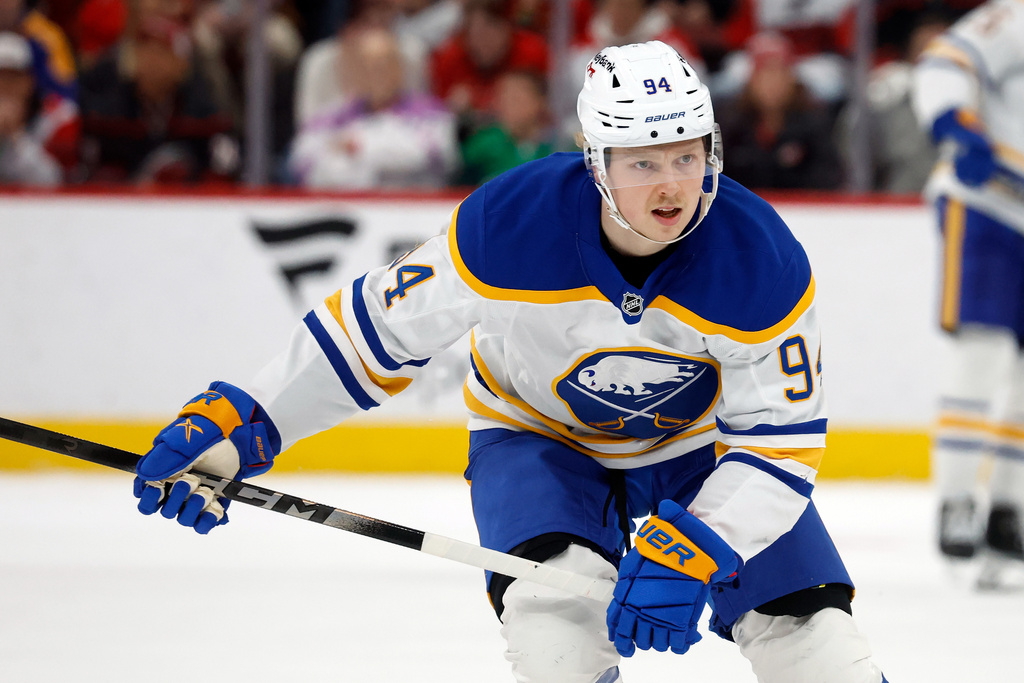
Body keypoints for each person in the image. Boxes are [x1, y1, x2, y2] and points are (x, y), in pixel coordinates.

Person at [131, 40, 891, 682]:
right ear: (595, 162)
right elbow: (372, 336)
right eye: (642, 160)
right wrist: (249, 422)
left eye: (687, 155)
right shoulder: (508, 226)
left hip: (703, 449)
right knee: (553, 626)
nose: (671, 185)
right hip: (536, 437)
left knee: (814, 639)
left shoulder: (761, 260)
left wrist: (704, 543)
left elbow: (778, 439)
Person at [911, 0, 1024, 587]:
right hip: (987, 204)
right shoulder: (1014, 17)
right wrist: (955, 121)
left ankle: (1010, 507)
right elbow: (945, 62)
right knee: (982, 355)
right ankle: (956, 502)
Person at [287, 25, 458, 189]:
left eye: (384, 64)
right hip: (347, 207)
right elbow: (302, 163)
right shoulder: (331, 117)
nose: (377, 74)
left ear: (399, 68)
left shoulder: (432, 113)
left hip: (414, 210)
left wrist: (360, 147)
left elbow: (436, 156)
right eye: (367, 66)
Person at [715, 30, 843, 191]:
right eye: (765, 75)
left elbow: (829, 177)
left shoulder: (814, 121)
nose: (772, 84)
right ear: (751, 79)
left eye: (779, 74)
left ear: (792, 78)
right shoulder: (729, 122)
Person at [0, 30, 61, 185]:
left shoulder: (51, 120)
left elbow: (51, 180)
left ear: (29, 81)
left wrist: (14, 137)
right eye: (1, 77)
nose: (6, 85)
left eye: (13, 77)